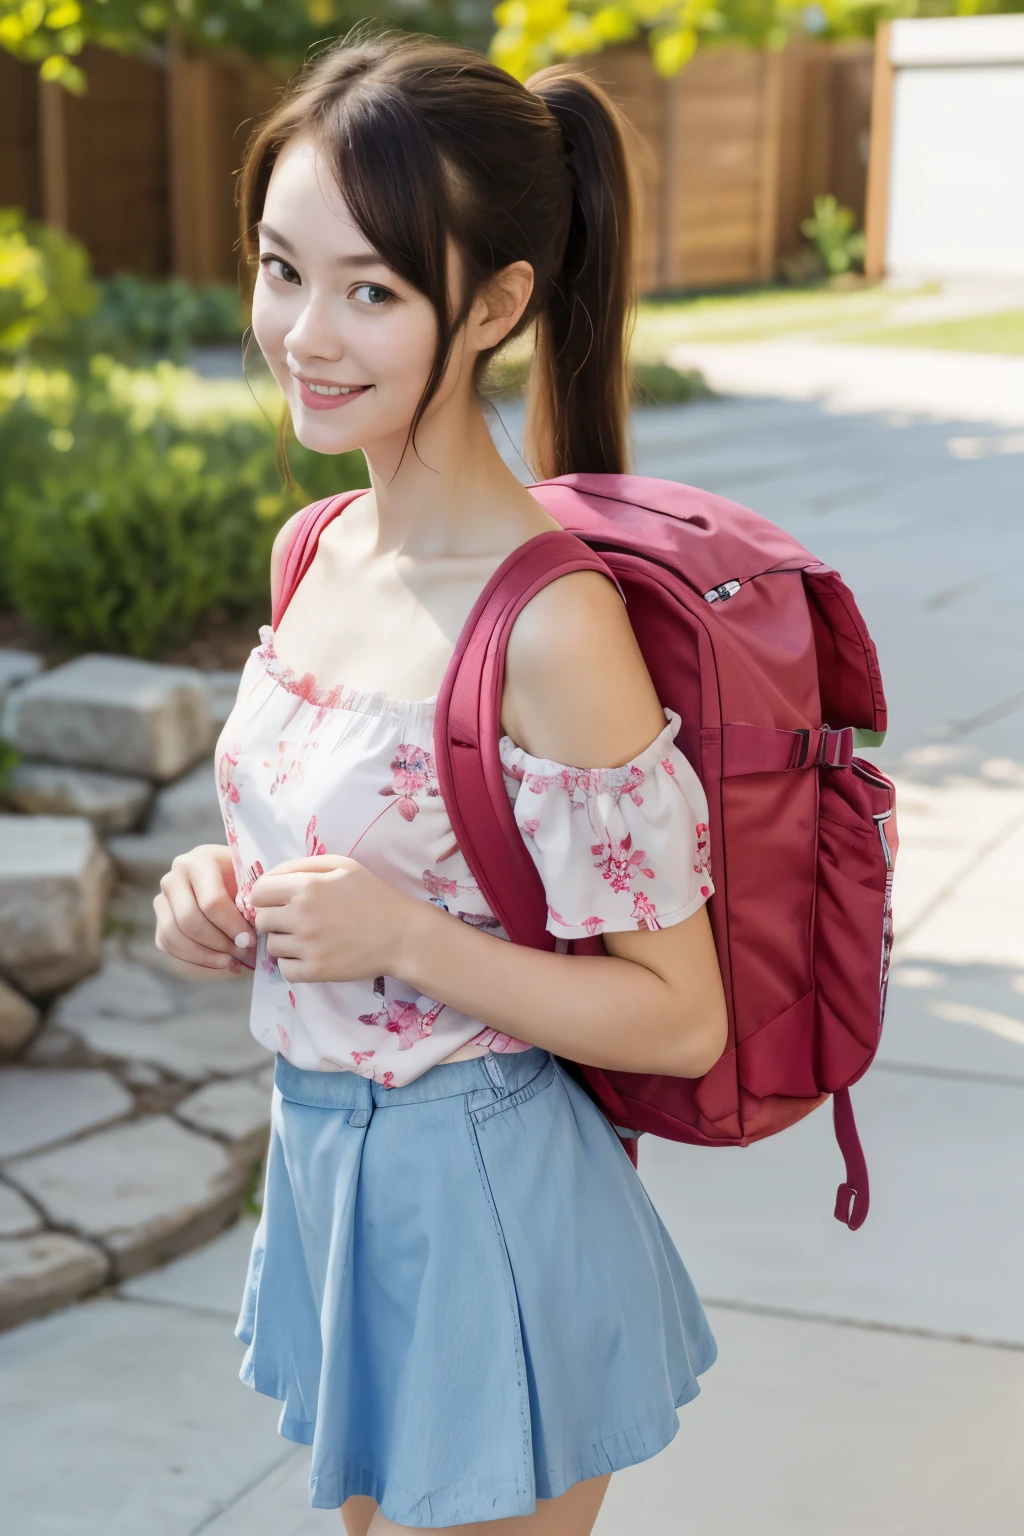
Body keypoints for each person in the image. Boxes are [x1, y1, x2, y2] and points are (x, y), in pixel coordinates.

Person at [154, 30, 727, 1536]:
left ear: (496, 304)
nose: (305, 333)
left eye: (374, 291)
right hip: (332, 1170)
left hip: (488, 1205)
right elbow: (341, 842)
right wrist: (215, 894)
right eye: (285, 269)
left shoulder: (553, 624)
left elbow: (681, 1010)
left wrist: (406, 940)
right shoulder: (317, 548)